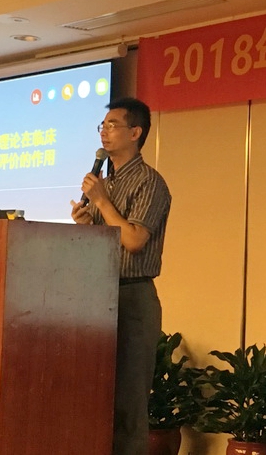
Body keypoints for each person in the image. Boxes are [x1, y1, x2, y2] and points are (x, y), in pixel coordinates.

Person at [70, 97, 171, 455]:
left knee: (128, 404)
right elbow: (105, 245)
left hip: (132, 298)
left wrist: (100, 202)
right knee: (97, 398)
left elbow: (133, 240)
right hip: (99, 297)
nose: (105, 132)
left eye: (113, 125)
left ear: (135, 132)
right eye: (103, 125)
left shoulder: (149, 182)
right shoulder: (105, 183)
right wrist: (86, 226)